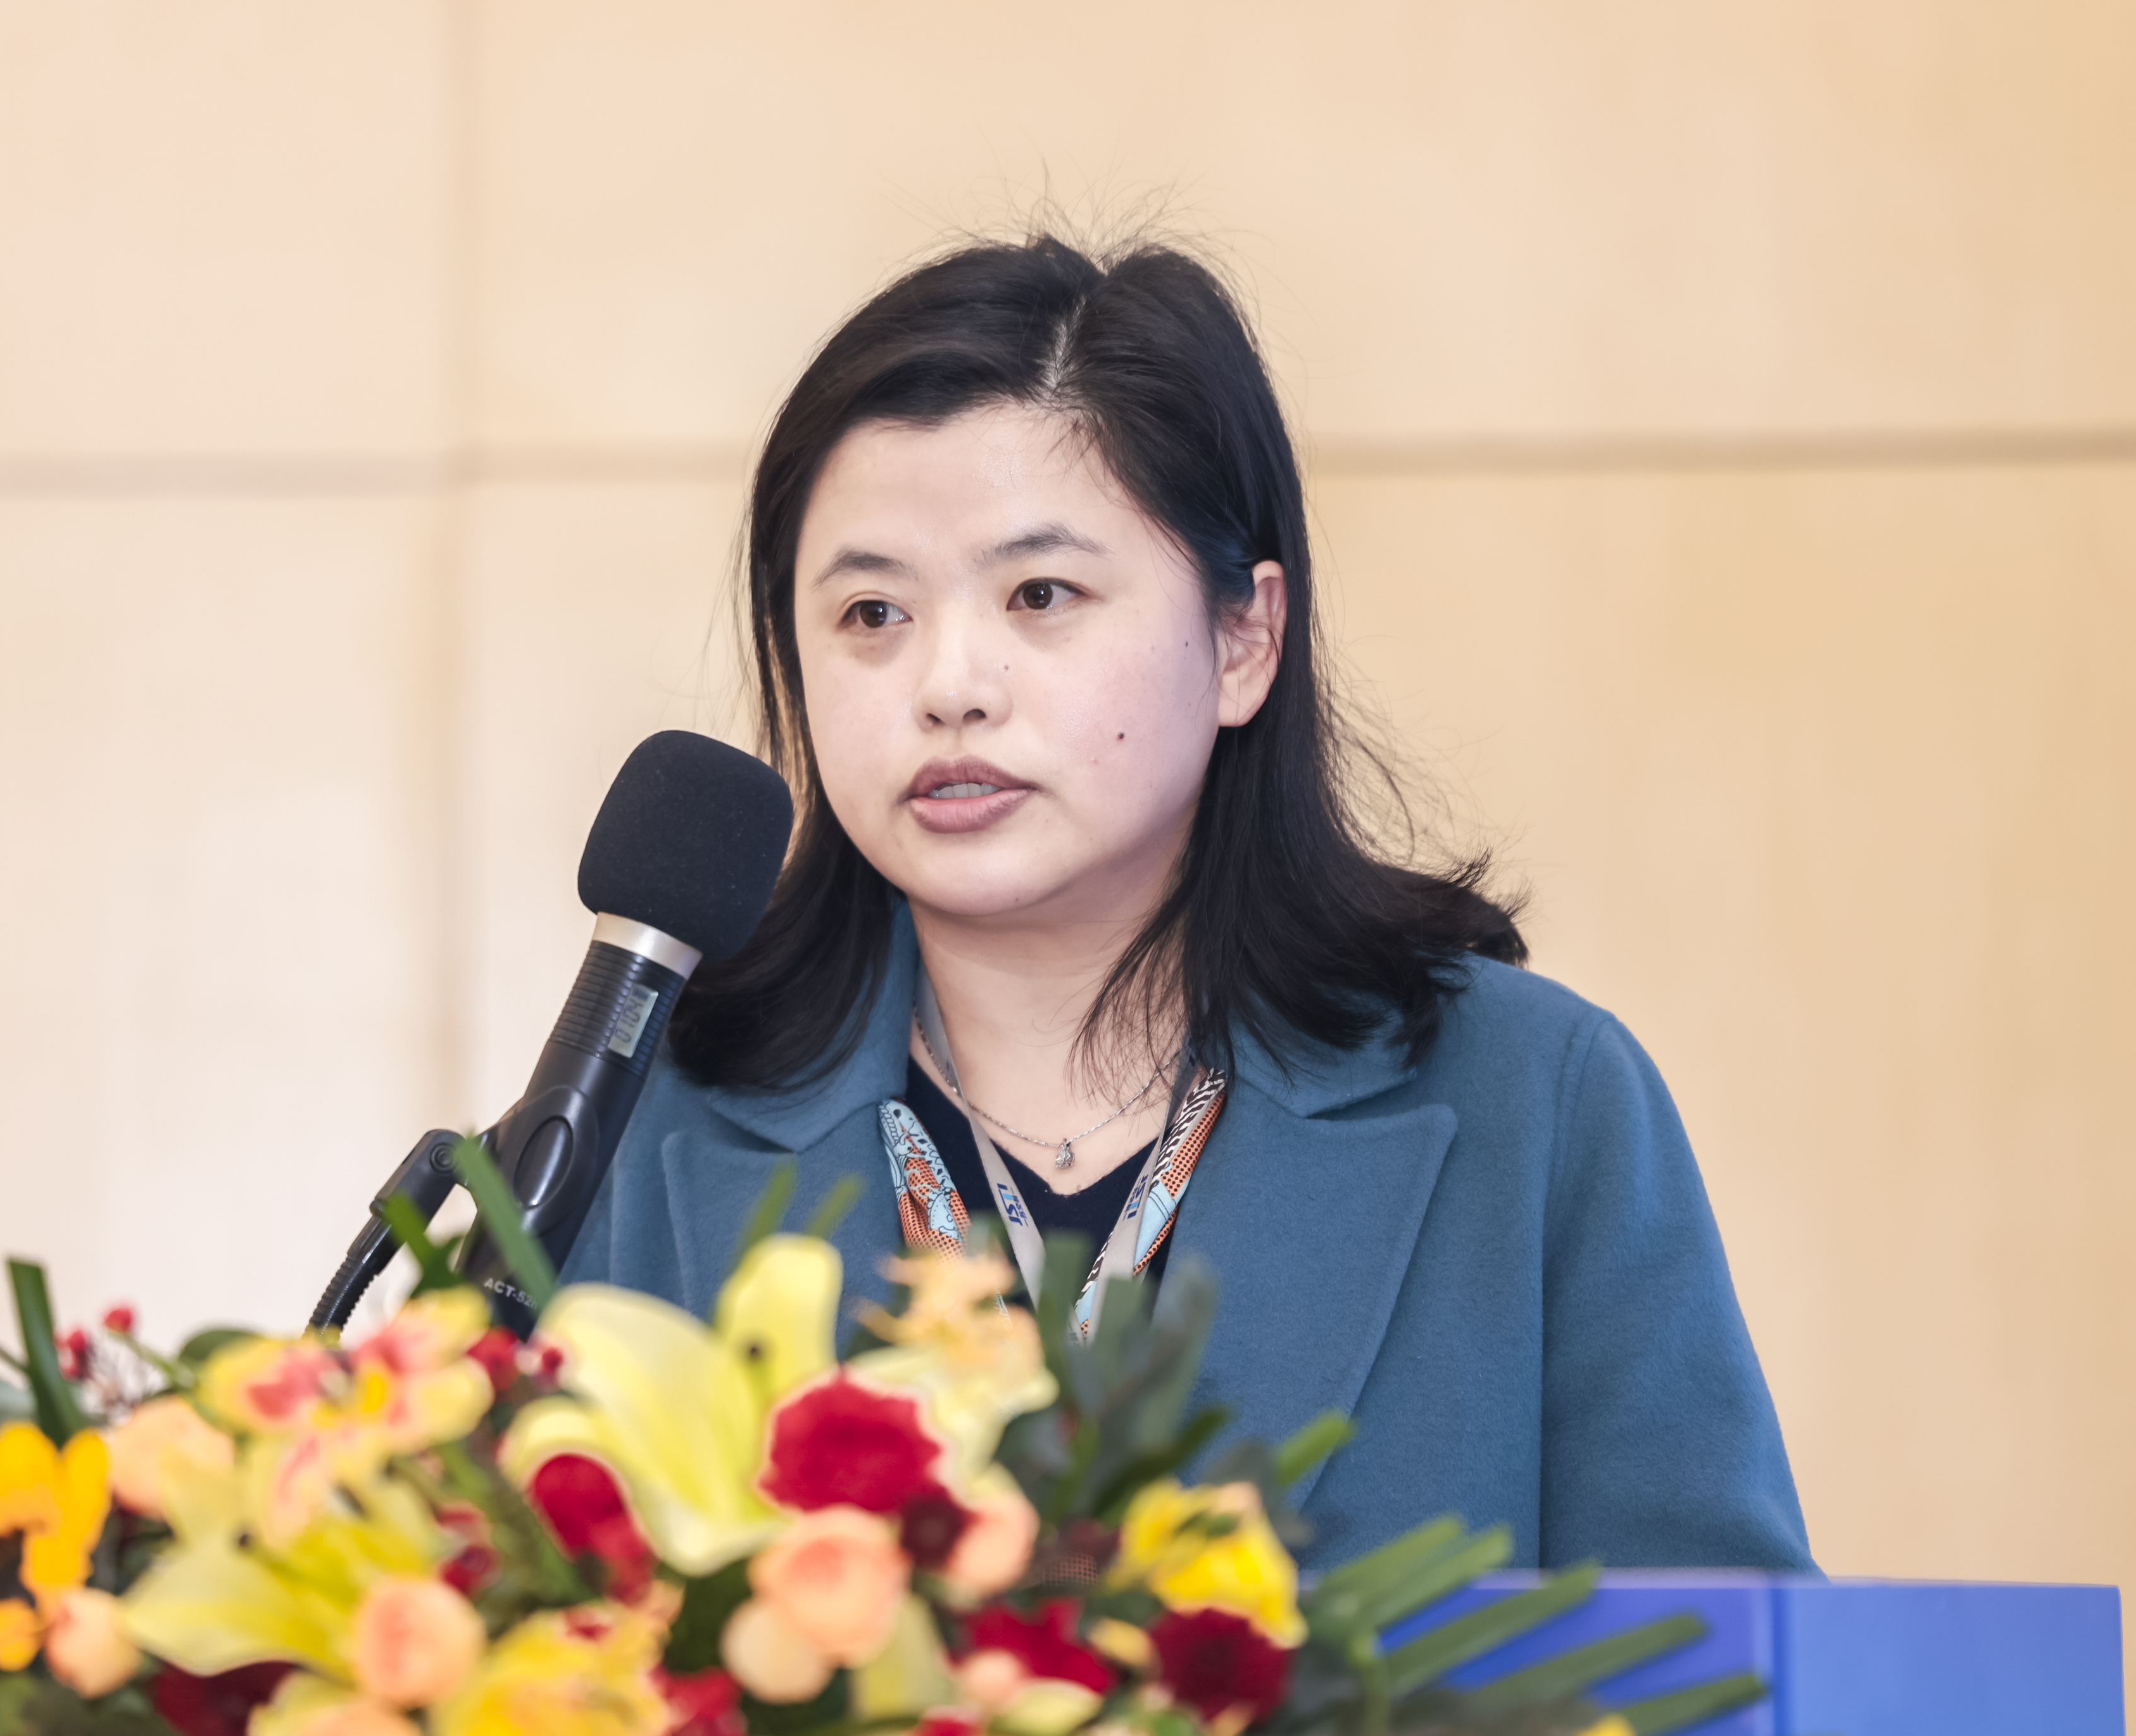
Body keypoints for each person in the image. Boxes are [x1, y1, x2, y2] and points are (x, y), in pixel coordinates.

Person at [560, 233, 1813, 1573]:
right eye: (872, 614)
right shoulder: (647, 1123)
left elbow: (1719, 1657)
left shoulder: (1536, 1104)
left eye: (1041, 594)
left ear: (1243, 639)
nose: (949, 686)